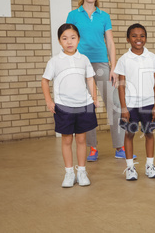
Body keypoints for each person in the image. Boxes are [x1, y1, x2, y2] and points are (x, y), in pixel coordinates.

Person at [66, 0, 135, 161]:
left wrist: (113, 67)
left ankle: (119, 146)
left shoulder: (104, 16)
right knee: (87, 107)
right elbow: (68, 39)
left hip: (101, 63)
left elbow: (110, 42)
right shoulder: (73, 15)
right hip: (81, 64)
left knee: (114, 104)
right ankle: (93, 148)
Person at [41, 23, 98, 187]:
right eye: (64, 38)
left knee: (81, 139)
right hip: (64, 106)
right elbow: (44, 81)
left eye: (73, 38)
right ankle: (68, 173)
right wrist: (49, 101)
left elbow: (90, 79)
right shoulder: (55, 61)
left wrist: (95, 98)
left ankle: (81, 171)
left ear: (78, 39)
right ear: (59, 41)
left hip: (84, 105)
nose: (69, 42)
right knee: (66, 140)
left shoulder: (84, 59)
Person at [115, 23, 155, 181]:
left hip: (148, 104)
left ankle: (150, 165)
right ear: (128, 39)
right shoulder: (124, 60)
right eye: (134, 36)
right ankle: (130, 167)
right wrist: (123, 107)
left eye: (142, 35)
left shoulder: (152, 57)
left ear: (146, 38)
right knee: (129, 134)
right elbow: (121, 86)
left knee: (149, 133)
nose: (138, 39)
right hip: (131, 105)